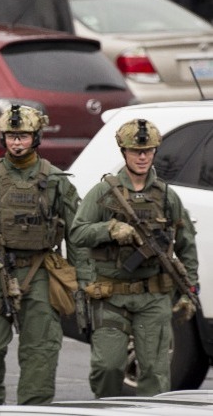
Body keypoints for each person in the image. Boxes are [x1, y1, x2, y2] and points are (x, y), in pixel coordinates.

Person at [0, 105, 92, 405]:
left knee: (41, 350)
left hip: (40, 273)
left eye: (24, 136)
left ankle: (34, 410)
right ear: (3, 138)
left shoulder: (56, 181)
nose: (17, 142)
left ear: (36, 137)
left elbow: (76, 234)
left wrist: (82, 282)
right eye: (12, 136)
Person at [69, 118, 199, 398]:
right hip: (111, 297)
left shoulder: (166, 197)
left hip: (153, 298)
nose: (142, 156)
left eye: (148, 151)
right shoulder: (104, 193)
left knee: (154, 372)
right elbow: (77, 232)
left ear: (154, 152)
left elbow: (187, 245)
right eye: (135, 151)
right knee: (107, 367)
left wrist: (190, 292)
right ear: (124, 152)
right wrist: (110, 229)